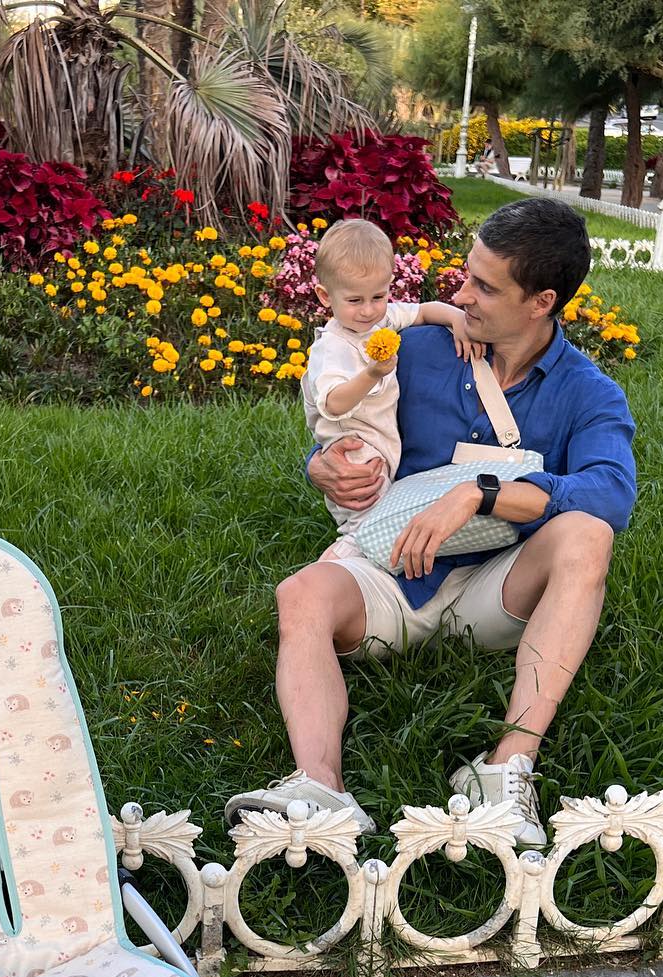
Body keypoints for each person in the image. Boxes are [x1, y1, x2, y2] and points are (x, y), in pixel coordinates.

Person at [224, 197, 637, 848]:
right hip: (392, 570)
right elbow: (342, 421)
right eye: (467, 274)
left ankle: (505, 771)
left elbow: (611, 492)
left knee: (589, 534)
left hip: (498, 589)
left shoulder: (588, 392)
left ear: (541, 302)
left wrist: (483, 492)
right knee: (300, 593)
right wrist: (323, 466)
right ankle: (320, 788)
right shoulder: (412, 349)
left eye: (485, 287)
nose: (460, 294)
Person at [301, 218, 479, 561]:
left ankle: (360, 560)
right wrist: (372, 373)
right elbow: (333, 403)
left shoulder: (379, 321)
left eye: (379, 296)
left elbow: (422, 312)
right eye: (355, 300)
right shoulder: (333, 347)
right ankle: (334, 565)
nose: (368, 310)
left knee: (380, 516)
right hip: (352, 447)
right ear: (325, 296)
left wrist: (455, 318)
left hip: (381, 441)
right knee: (364, 521)